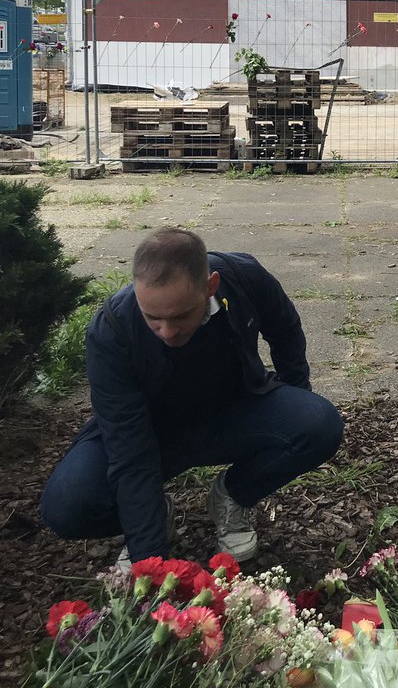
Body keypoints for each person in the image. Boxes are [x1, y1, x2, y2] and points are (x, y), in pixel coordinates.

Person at [40, 228, 344, 566]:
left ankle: (232, 494)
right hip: (152, 432)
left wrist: (295, 395)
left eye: (180, 316)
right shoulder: (112, 330)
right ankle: (153, 513)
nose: (167, 332)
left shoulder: (244, 277)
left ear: (210, 286)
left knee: (318, 424)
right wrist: (151, 565)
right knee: (67, 506)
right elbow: (130, 453)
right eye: (152, 318)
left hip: (234, 411)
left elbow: (285, 329)